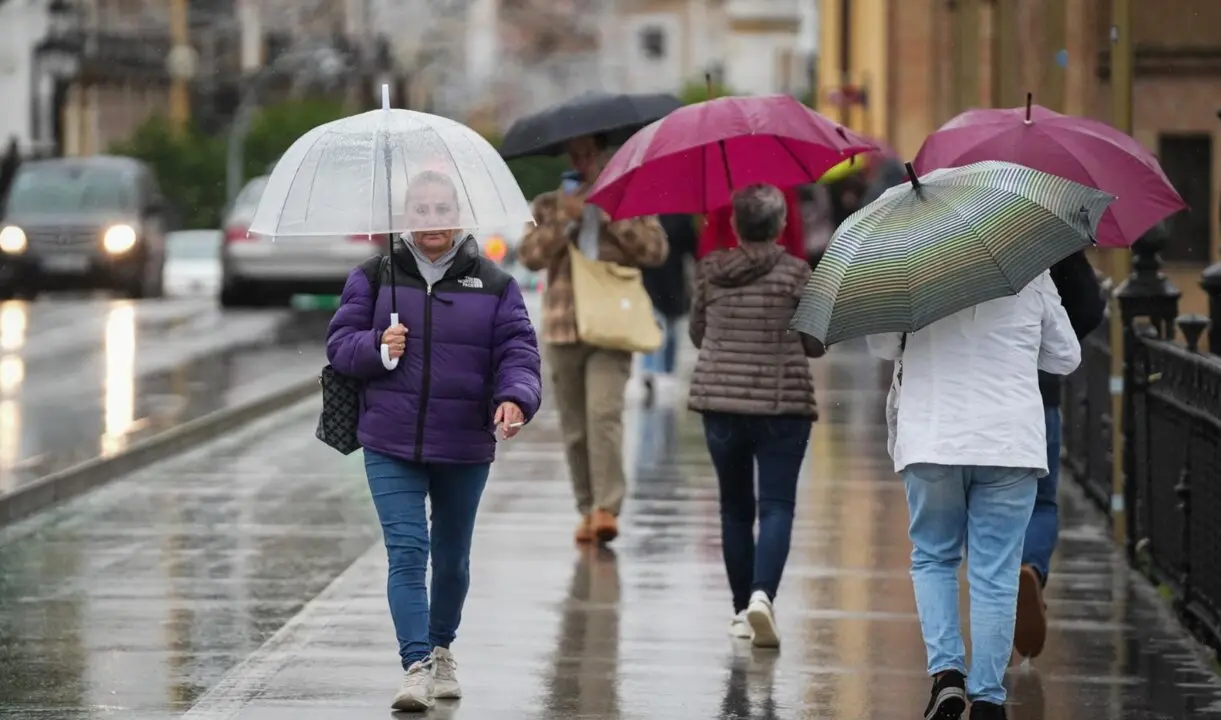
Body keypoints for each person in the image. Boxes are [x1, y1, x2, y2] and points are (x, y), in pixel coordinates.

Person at [326, 170, 542, 712]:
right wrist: (377, 344)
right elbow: (339, 346)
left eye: (442, 208)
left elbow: (519, 352)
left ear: (460, 215)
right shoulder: (374, 278)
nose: (432, 220)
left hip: (464, 442)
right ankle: (416, 665)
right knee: (407, 551)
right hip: (389, 439)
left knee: (451, 559)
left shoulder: (494, 284)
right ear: (405, 218)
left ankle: (444, 648)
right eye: (420, 210)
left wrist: (516, 397)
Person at [867, 271, 1080, 720]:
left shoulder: (910, 267)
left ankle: (947, 676)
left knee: (933, 557)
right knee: (996, 571)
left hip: (933, 437)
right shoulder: (1029, 272)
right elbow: (1066, 357)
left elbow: (883, 346)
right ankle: (987, 698)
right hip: (1008, 442)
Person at [687, 184, 825, 649]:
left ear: (737, 225)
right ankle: (763, 596)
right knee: (777, 506)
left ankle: (739, 611)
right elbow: (814, 344)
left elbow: (696, 334)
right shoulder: (797, 274)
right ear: (781, 224)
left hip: (721, 404)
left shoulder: (711, 271)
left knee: (734, 509)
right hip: (782, 407)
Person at [519, 134, 668, 546]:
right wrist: (564, 221)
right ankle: (586, 508)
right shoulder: (548, 204)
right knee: (574, 427)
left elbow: (655, 250)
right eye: (576, 154)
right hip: (564, 324)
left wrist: (611, 216)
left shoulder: (629, 196)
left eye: (591, 154)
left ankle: (607, 507)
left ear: (606, 155)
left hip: (611, 323)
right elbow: (530, 255)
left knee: (604, 414)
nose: (583, 161)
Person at [1014, 250, 1105, 659]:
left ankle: (995, 600)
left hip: (972, 398)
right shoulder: (1046, 233)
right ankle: (1031, 567)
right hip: (1038, 392)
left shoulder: (951, 229)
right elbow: (1089, 305)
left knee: (981, 502)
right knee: (1041, 502)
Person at [640, 213, 697, 404]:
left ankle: (655, 371)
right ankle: (662, 372)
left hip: (661, 281)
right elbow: (692, 247)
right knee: (664, 326)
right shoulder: (680, 217)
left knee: (659, 326)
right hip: (668, 281)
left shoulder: (645, 215)